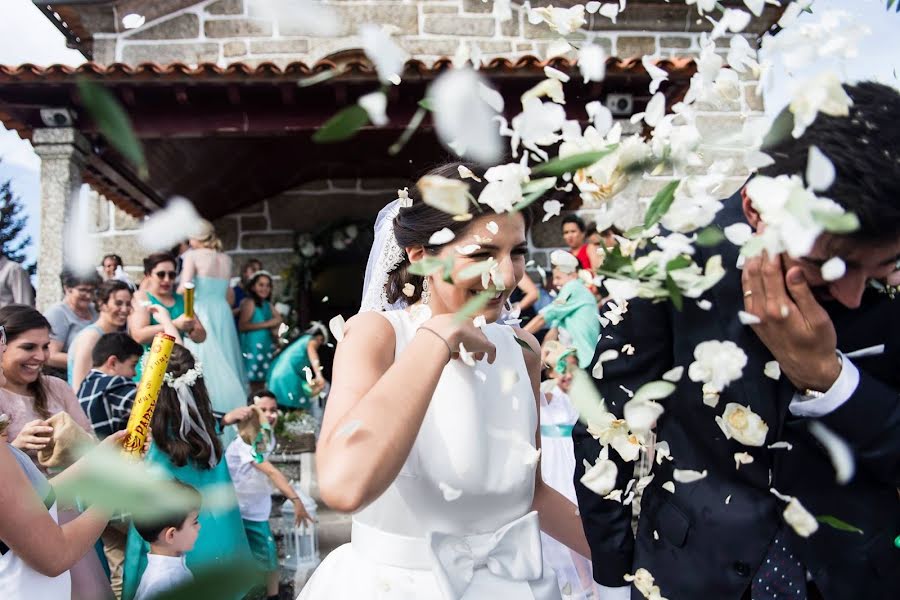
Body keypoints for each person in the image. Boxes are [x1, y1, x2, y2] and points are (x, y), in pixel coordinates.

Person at [574, 81, 900, 600]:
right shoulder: (669, 259)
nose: (853, 295)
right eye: (823, 264)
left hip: (855, 575)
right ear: (757, 208)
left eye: (881, 267)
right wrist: (614, 572)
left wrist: (831, 382)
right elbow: (605, 418)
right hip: (688, 571)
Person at [298, 163, 590, 599]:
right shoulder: (378, 335)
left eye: (516, 253)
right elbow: (343, 486)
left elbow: (531, 494)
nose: (507, 277)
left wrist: (635, 556)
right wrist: (437, 336)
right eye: (482, 254)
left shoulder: (522, 349)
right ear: (420, 255)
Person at [121, 344, 253, 600]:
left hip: (166, 543)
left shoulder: (149, 440)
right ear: (198, 386)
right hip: (213, 536)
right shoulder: (207, 433)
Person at [0, 304, 114, 600]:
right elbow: (54, 558)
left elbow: (38, 493)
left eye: (45, 346)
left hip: (63, 508)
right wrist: (17, 450)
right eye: (27, 347)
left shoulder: (56, 386)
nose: (40, 356)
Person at [225, 391, 313, 600]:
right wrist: (295, 500)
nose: (270, 415)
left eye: (273, 410)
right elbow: (272, 471)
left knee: (266, 559)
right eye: (263, 410)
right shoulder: (243, 446)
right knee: (269, 558)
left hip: (255, 507)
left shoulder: (262, 439)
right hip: (246, 512)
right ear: (248, 413)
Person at [539, 343, 601, 600]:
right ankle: (583, 579)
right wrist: (547, 360)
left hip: (573, 457)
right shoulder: (546, 395)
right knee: (565, 509)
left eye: (570, 367)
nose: (566, 374)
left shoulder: (577, 395)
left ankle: (595, 578)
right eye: (560, 369)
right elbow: (540, 386)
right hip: (554, 462)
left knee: (582, 512)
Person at [177, 220, 248, 422]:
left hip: (202, 310)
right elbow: (229, 296)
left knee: (202, 362)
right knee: (227, 360)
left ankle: (207, 413)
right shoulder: (225, 259)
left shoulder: (192, 256)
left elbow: (185, 288)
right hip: (222, 313)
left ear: (194, 238)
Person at [129, 252, 206, 381]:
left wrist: (192, 329)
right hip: (147, 370)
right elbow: (139, 335)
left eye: (171, 275)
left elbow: (201, 337)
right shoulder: (142, 297)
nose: (167, 279)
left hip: (176, 370)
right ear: (148, 275)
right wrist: (174, 325)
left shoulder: (181, 299)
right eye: (161, 274)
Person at [523, 251, 600, 369]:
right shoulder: (568, 298)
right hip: (578, 363)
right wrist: (539, 366)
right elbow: (552, 334)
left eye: (558, 277)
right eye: (554, 278)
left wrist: (514, 338)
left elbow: (543, 318)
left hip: (584, 363)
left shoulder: (573, 287)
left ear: (573, 275)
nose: (554, 282)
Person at [132, 481, 201, 600]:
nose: (199, 527)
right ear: (172, 535)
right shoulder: (162, 582)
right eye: (194, 522)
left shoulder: (170, 571)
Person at [78, 332, 149, 440]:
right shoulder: (115, 385)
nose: (134, 373)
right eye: (133, 365)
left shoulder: (84, 387)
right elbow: (149, 407)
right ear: (113, 363)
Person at [68, 279, 133, 390]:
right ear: (102, 304)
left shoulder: (118, 336)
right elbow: (79, 387)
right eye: (118, 303)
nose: (124, 309)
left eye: (128, 304)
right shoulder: (90, 338)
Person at [44, 269, 101, 379]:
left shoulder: (95, 311)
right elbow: (51, 356)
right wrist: (89, 362)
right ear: (67, 288)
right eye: (83, 290)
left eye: (92, 291)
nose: (88, 296)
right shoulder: (58, 313)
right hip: (65, 377)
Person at [265, 324, 327, 410]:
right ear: (319, 337)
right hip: (287, 375)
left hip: (277, 373)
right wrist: (319, 375)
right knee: (293, 409)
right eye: (321, 340)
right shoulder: (311, 340)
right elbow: (313, 355)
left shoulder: (300, 341)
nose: (320, 343)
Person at [238, 271, 282, 390]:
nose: (265, 288)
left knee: (262, 380)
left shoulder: (267, 304)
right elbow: (243, 326)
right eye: (261, 285)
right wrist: (267, 324)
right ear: (253, 287)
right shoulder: (250, 302)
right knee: (253, 379)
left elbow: (279, 319)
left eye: (267, 285)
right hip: (253, 347)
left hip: (265, 347)